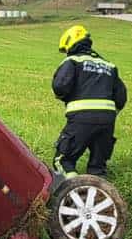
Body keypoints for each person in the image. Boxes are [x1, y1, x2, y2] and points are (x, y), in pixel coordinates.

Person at [50, 23, 126, 177]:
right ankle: (97, 195)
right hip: (107, 121)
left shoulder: (72, 61)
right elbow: (121, 97)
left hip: (81, 118)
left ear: (70, 44)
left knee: (63, 161)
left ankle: (71, 193)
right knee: (98, 167)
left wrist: (65, 98)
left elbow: (60, 86)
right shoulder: (109, 65)